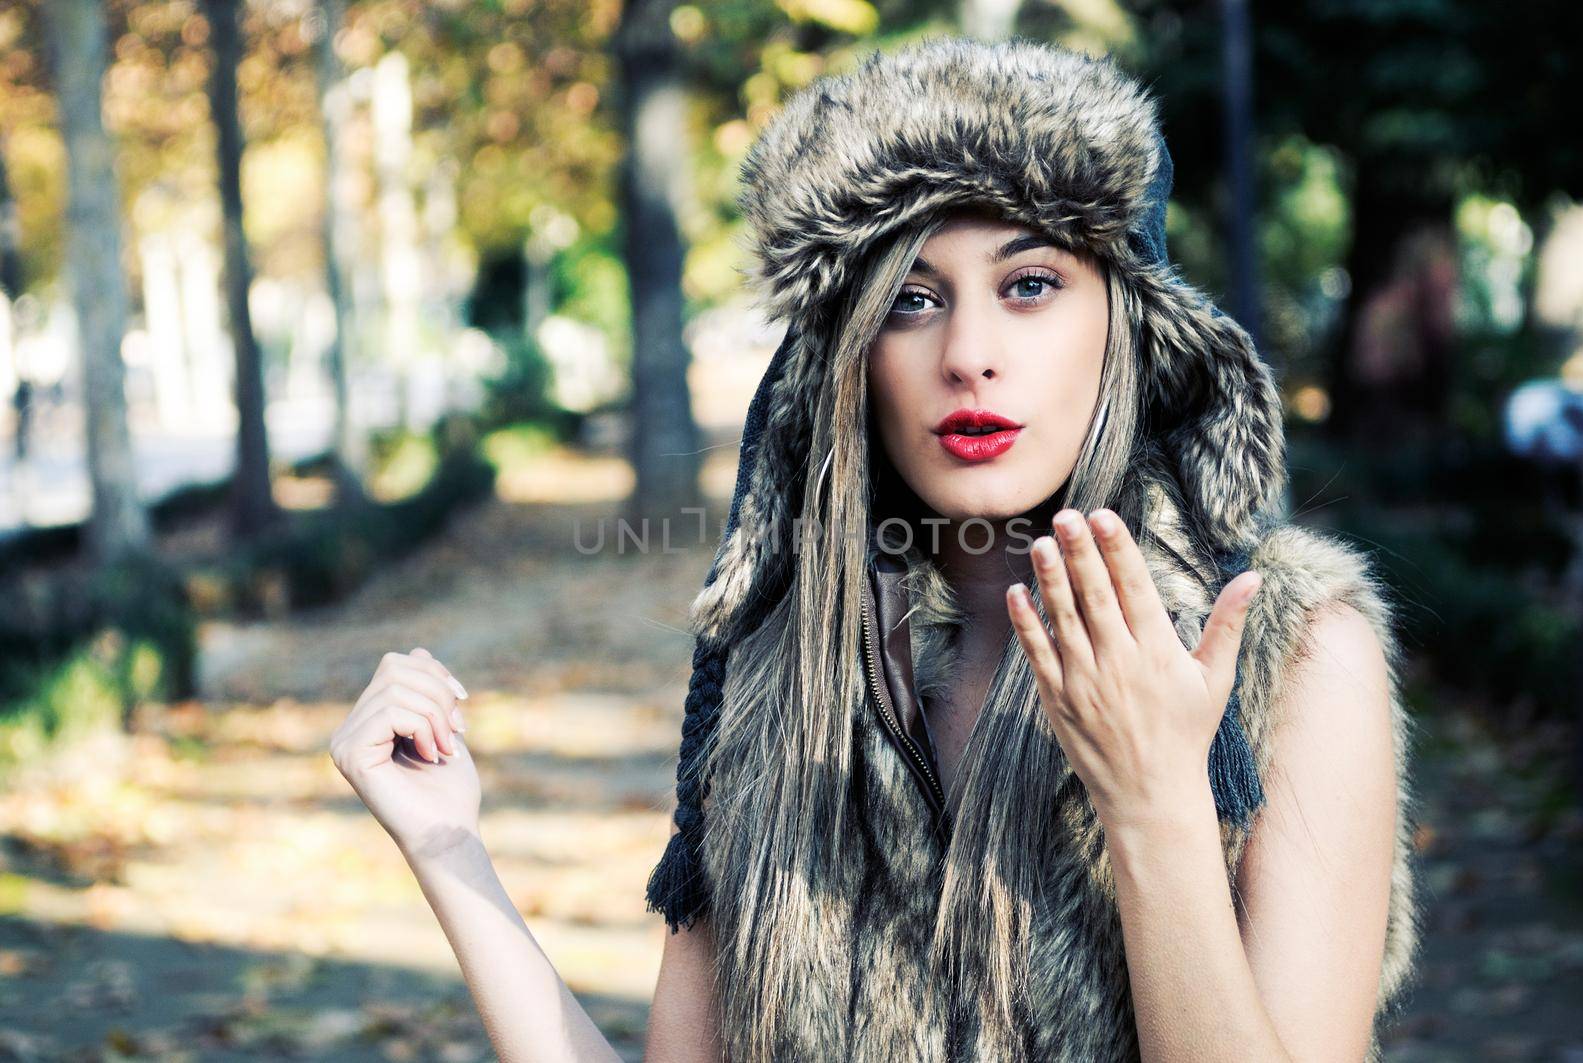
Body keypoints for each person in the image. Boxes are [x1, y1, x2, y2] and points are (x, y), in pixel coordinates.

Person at [329, 35, 1418, 1062]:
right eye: (909, 300)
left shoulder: (1287, 653)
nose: (969, 356)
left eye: (1029, 284)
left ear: (1125, 321)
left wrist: (1153, 805)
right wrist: (448, 850)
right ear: (847, 357)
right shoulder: (781, 663)